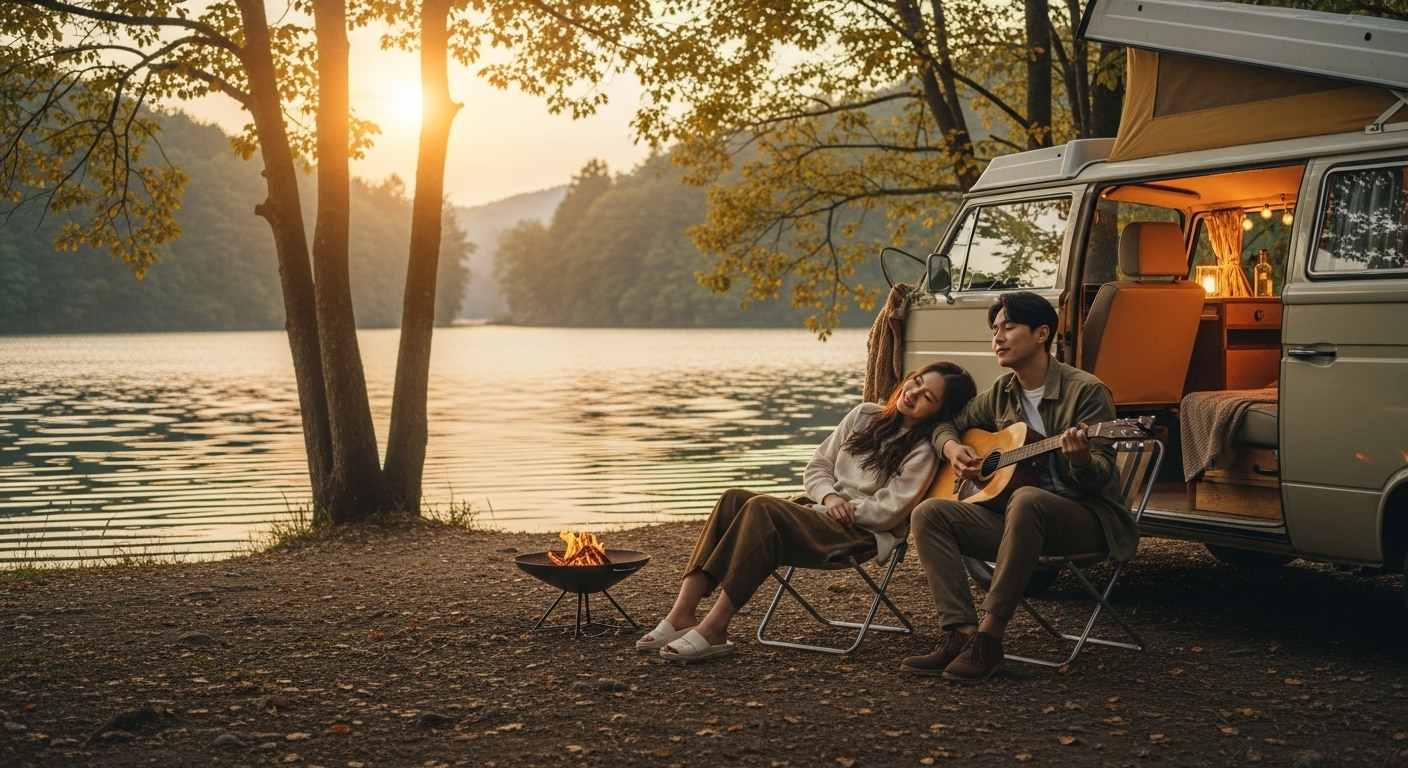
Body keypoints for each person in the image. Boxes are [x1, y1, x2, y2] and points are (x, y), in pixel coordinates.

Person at [639, 361, 978, 663]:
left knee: (761, 508)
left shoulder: (923, 450)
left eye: (927, 397)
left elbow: (887, 513)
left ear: (938, 414)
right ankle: (682, 615)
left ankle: (715, 629)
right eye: (916, 382)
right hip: (822, 512)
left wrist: (843, 510)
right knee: (733, 498)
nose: (913, 393)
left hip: (859, 534)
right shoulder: (865, 415)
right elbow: (817, 466)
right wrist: (830, 499)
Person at [902, 291, 1136, 682]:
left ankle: (989, 640)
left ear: (1042, 333)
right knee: (929, 512)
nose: (997, 337)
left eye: (1008, 327)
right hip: (1018, 525)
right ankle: (960, 633)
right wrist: (952, 447)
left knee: (1027, 498)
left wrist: (1079, 458)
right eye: (994, 329)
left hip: (1083, 518)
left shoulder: (1087, 391)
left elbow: (1098, 476)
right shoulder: (1002, 392)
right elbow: (946, 424)